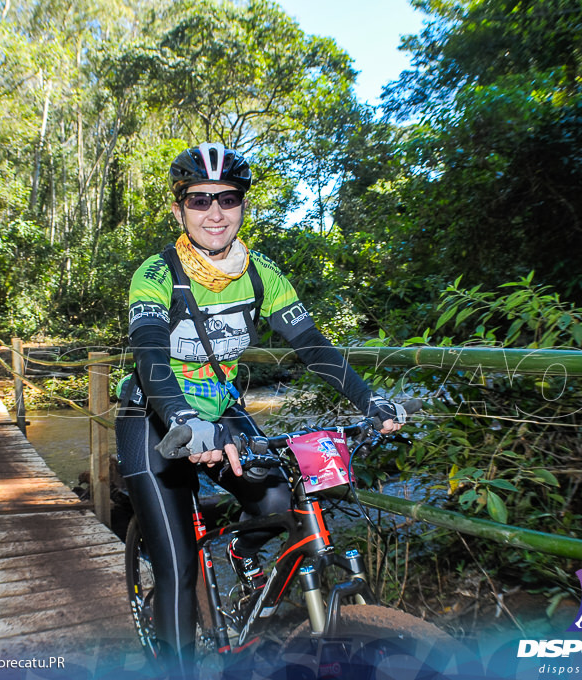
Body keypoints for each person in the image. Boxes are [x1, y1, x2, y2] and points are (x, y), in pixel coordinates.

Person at [115, 142, 407, 677]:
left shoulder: (261, 274)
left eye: (227, 198)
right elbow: (151, 354)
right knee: (177, 565)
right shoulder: (156, 274)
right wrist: (181, 418)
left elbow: (312, 346)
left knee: (276, 498)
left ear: (243, 205)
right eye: (199, 200)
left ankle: (242, 554)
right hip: (154, 415)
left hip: (220, 404)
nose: (215, 212)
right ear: (178, 209)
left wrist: (370, 400)